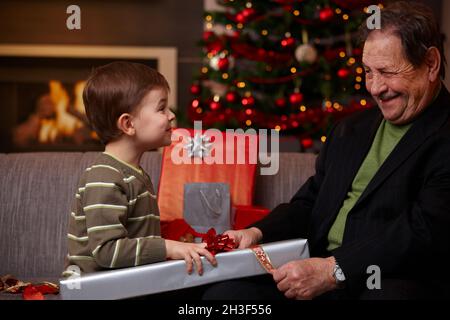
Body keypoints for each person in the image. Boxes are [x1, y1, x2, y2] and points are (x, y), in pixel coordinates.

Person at [204, 1, 450, 300]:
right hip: (315, 270)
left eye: (387, 71)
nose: (374, 87)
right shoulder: (349, 130)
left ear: (431, 63)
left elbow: (424, 233)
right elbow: (309, 203)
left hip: (388, 278)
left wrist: (334, 270)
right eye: (368, 72)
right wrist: (256, 233)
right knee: (225, 296)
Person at [63, 62, 217, 278]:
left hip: (129, 283)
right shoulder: (104, 177)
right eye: (161, 108)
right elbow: (107, 252)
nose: (171, 115)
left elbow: (139, 239)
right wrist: (169, 248)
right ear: (128, 124)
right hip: (98, 290)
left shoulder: (133, 173)